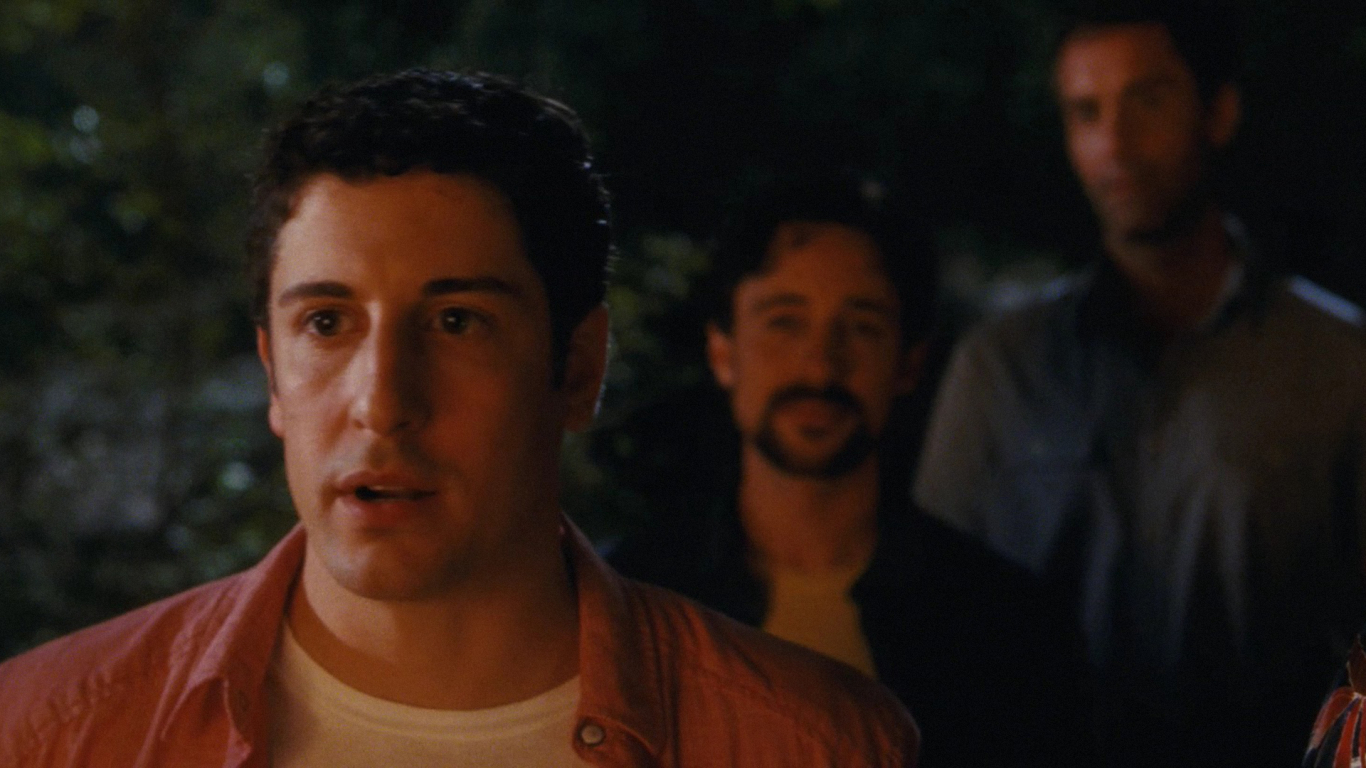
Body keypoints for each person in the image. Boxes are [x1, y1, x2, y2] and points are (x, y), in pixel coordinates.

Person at [0, 70, 919, 767]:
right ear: (273, 372)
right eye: (327, 324)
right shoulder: (47, 734)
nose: (383, 403)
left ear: (579, 368)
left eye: (456, 322)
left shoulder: (810, 744)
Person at [913, 2, 1366, 764]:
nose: (1114, 144)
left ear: (1218, 111)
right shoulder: (1002, 368)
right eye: (1086, 112)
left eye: (1146, 101)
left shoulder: (1339, 364)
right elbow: (926, 617)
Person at [609, 172, 1092, 767]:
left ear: (908, 363)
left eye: (862, 327)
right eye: (784, 321)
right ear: (722, 352)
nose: (820, 366)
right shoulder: (628, 609)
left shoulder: (1003, 630)